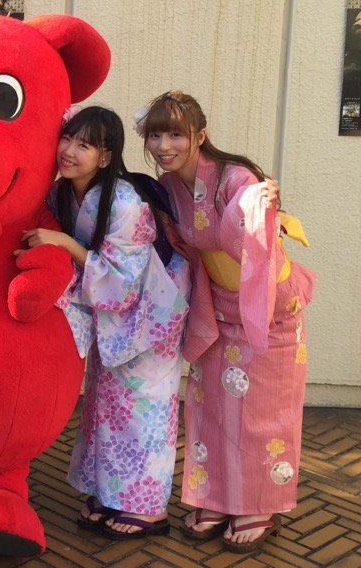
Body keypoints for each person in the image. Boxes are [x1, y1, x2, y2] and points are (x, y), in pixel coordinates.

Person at [138, 90, 314, 553]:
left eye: (175, 134)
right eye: (155, 136)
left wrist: (261, 198)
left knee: (260, 412)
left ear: (200, 136)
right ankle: (217, 497)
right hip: (217, 307)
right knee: (211, 406)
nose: (163, 146)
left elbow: (253, 220)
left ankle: (257, 504)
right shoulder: (171, 185)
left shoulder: (236, 178)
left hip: (266, 307)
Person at [20, 107, 190, 540]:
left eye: (84, 145)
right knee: (104, 404)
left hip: (149, 314)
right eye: (67, 139)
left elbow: (123, 281)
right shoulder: (62, 193)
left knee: (144, 408)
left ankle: (149, 509)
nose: (69, 151)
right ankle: (110, 493)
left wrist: (64, 242)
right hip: (112, 318)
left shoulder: (125, 202)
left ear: (106, 155)